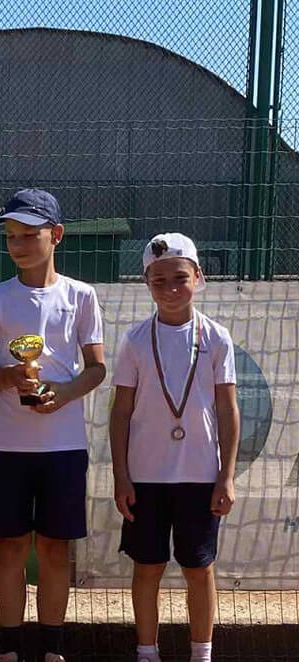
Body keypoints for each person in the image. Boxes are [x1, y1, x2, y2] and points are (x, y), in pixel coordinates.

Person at [0, 189, 106, 662]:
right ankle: (8, 648)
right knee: (9, 549)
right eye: (11, 236)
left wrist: (62, 394)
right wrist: (11, 377)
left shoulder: (81, 296)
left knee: (53, 550)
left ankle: (52, 649)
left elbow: (96, 369)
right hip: (6, 447)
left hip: (64, 447)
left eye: (30, 235)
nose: (19, 245)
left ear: (57, 235)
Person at [110, 233, 240, 662]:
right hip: (145, 477)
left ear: (198, 277)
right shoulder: (135, 340)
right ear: (146, 283)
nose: (169, 289)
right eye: (159, 281)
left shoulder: (217, 338)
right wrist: (121, 476)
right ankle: (147, 653)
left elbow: (228, 410)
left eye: (180, 278)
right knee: (147, 568)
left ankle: (201, 654)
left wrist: (226, 476)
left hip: (200, 476)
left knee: (198, 568)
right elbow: (121, 412)